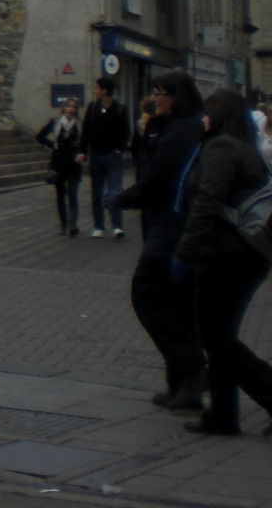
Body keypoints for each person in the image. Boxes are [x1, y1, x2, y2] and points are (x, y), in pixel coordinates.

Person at [173, 89, 272, 436]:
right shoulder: (244, 147)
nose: (202, 118)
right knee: (220, 334)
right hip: (248, 252)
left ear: (216, 115)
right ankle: (223, 415)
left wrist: (185, 252)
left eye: (206, 112)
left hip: (227, 253)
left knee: (215, 336)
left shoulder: (220, 148)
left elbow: (207, 201)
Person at [113, 69, 208, 412]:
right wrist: (151, 129)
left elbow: (160, 180)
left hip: (172, 227)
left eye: (161, 92)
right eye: (153, 91)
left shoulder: (183, 131)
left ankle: (194, 368)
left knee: (147, 296)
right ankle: (182, 386)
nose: (155, 97)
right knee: (175, 304)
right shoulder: (172, 127)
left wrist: (123, 198)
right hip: (165, 225)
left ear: (177, 96)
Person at [80, 76, 130, 239]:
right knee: (97, 191)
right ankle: (98, 225)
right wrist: (83, 152)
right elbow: (85, 132)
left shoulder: (120, 108)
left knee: (114, 190)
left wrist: (119, 149)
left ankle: (117, 225)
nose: (94, 91)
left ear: (104, 90)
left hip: (113, 155)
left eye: (96, 88)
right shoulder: (92, 108)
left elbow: (126, 131)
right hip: (96, 155)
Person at [37, 97, 84, 237]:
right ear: (64, 108)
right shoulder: (56, 122)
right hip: (58, 160)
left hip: (73, 160)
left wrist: (82, 153)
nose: (71, 109)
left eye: (74, 107)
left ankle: (72, 225)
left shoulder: (80, 124)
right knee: (60, 195)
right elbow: (40, 136)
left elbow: (84, 142)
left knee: (73, 194)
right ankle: (63, 224)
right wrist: (52, 145)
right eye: (69, 106)